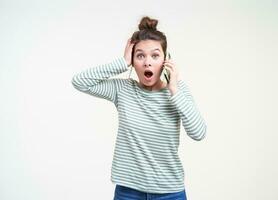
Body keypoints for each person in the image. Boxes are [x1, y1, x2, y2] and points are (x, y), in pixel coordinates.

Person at [72, 16, 207, 200]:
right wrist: (121, 62)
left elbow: (198, 133)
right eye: (140, 55)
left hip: (170, 192)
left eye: (155, 55)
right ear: (133, 61)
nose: (147, 62)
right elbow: (80, 81)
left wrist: (174, 88)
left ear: (166, 60)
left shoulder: (177, 91)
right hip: (128, 192)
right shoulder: (123, 90)